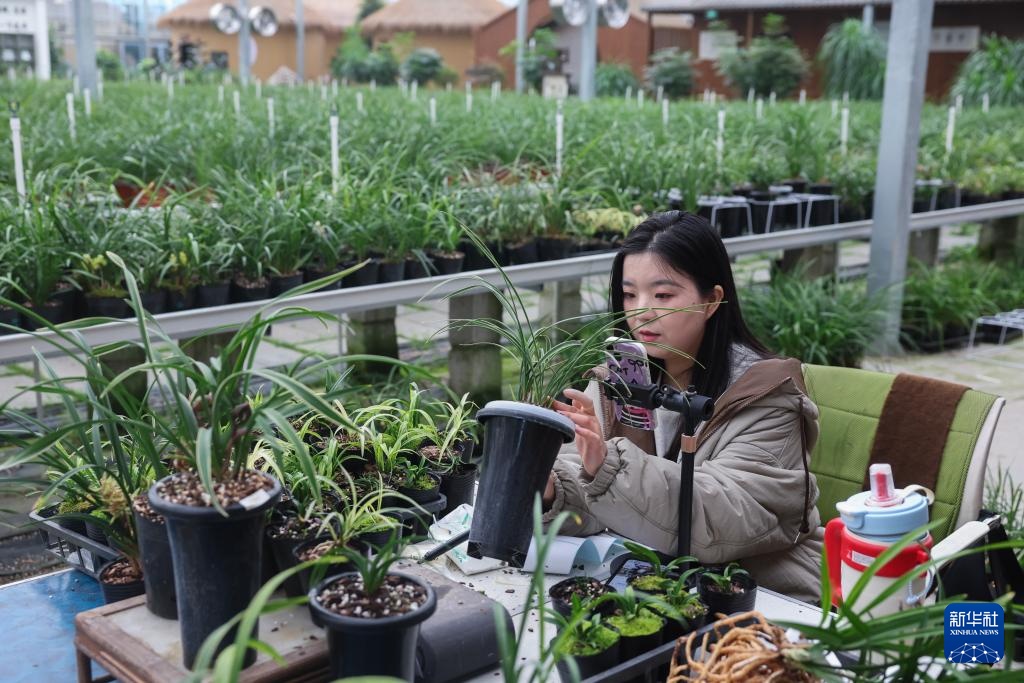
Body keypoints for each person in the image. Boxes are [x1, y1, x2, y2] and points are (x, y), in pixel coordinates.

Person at [542, 210, 823, 603]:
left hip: (757, 594)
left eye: (663, 295)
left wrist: (605, 465)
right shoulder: (620, 375)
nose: (641, 311)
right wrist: (551, 488)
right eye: (629, 294)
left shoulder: (767, 395)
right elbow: (589, 489)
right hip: (652, 582)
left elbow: (720, 518)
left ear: (712, 300)